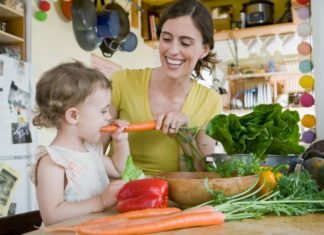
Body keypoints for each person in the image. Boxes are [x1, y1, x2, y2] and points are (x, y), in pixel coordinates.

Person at [104, 0, 222, 176]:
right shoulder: (121, 82)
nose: (173, 50)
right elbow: (91, 152)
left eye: (185, 43)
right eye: (166, 39)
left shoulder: (210, 102)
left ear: (204, 49)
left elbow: (203, 174)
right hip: (121, 194)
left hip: (178, 199)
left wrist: (186, 135)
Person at [29, 62, 129, 226]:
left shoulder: (91, 151)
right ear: (74, 116)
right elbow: (51, 215)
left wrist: (121, 141)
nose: (109, 117)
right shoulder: (53, 161)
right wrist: (100, 201)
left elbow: (119, 170)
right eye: (103, 111)